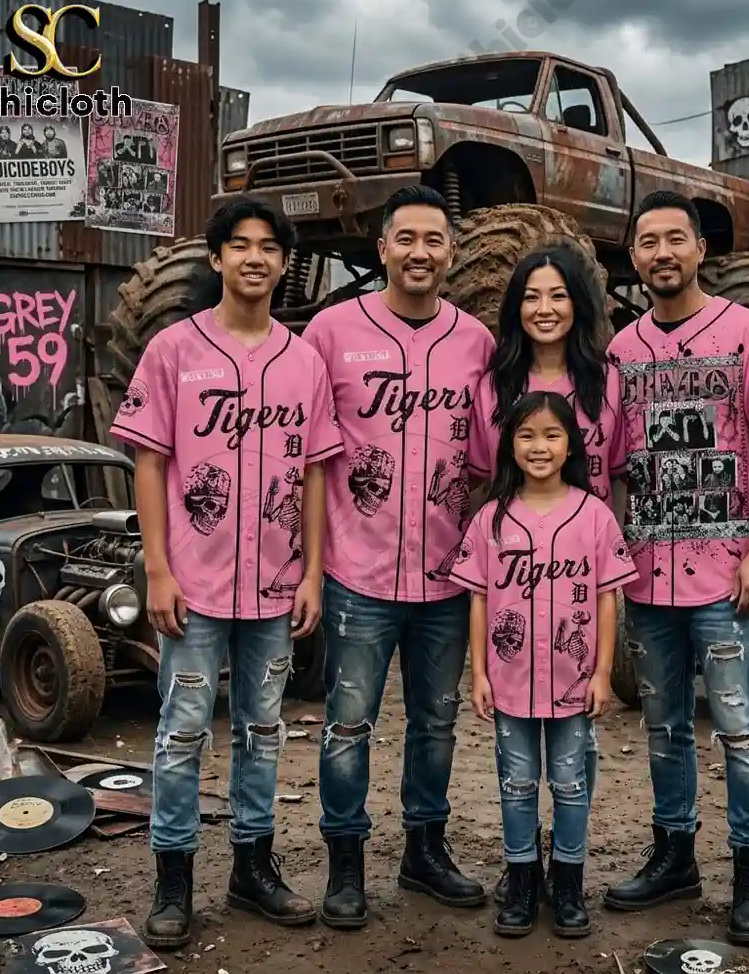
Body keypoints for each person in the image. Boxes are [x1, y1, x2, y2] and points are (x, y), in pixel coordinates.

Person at [109, 196, 345, 950]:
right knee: (182, 731)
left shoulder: (303, 361)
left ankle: (252, 867)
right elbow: (150, 463)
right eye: (239, 244)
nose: (254, 258)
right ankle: (174, 879)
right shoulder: (174, 350)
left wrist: (312, 573)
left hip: (275, 586)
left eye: (268, 247)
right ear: (215, 258)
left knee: (263, 730)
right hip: (195, 585)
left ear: (284, 262)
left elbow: (316, 473)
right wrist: (157, 569)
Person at [602, 190, 749, 946]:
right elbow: (610, 463)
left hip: (726, 579)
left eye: (675, 239)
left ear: (700, 250)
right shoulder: (622, 352)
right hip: (647, 579)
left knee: (741, 728)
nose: (662, 253)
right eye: (647, 242)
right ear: (633, 257)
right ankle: (674, 858)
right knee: (663, 726)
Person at [301, 184, 495, 929]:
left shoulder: (475, 342)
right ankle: (346, 865)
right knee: (349, 723)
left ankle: (425, 851)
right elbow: (306, 450)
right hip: (358, 570)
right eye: (405, 238)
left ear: (451, 252)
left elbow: (488, 457)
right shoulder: (331, 331)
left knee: (436, 724)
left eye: (434, 240)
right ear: (381, 248)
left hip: (445, 573)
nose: (420, 252)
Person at [466, 244, 627, 904]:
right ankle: (522, 870)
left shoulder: (606, 380)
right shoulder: (494, 383)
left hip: (583, 570)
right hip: (515, 572)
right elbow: (482, 469)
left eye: (558, 294)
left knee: (572, 760)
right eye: (531, 296)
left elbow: (617, 466)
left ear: (578, 304)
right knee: (516, 769)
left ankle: (568, 871)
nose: (545, 308)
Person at [454, 391, 637, 938]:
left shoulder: (594, 514)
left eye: (552, 434)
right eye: (527, 435)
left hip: (572, 682)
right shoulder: (490, 518)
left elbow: (607, 599)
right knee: (516, 782)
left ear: (571, 445)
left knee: (570, 782)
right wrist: (478, 673)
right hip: (509, 681)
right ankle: (522, 884)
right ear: (509, 445)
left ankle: (569, 884)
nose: (540, 446)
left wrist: (602, 673)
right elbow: (478, 600)